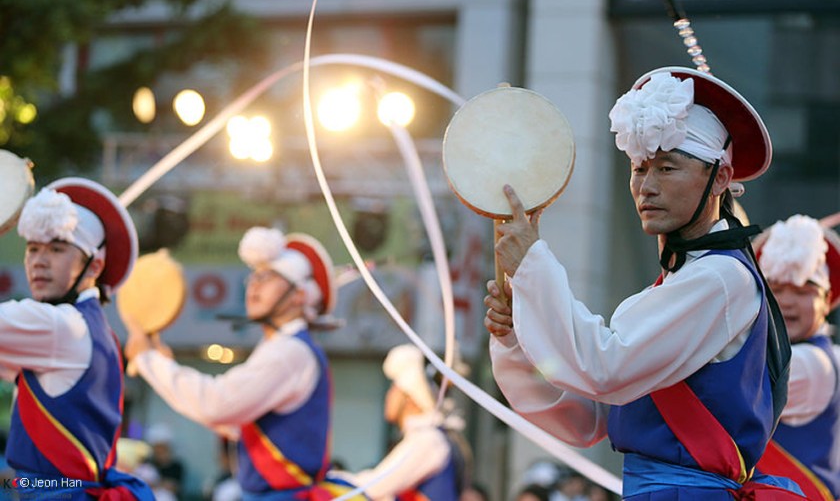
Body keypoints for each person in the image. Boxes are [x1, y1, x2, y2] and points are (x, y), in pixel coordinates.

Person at [484, 67, 804, 499]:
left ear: (721, 178)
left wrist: (533, 267)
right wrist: (514, 341)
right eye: (639, 168)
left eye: (667, 168)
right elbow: (590, 417)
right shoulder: (684, 282)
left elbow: (605, 368)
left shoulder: (722, 277)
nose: (646, 187)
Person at [123, 226, 365, 500]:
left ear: (299, 295)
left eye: (268, 277)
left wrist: (148, 359)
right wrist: (162, 367)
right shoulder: (283, 347)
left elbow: (217, 404)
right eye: (253, 277)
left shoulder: (289, 351)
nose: (254, 285)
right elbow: (238, 422)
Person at [0, 177, 153, 499]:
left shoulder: (58, 327)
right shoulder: (100, 332)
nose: (39, 260)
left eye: (56, 248)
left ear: (95, 265)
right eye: (32, 248)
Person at [752, 215, 840, 500]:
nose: (787, 302)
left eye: (803, 291)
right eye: (775, 290)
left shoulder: (813, 365)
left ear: (826, 301)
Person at [349, 344, 465, 500]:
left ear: (410, 394)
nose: (389, 395)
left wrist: (329, 482)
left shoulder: (428, 440)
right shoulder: (426, 437)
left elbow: (374, 486)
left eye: (394, 387)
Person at [144, 423, 185, 499]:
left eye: (162, 447)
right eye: (157, 447)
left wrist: (155, 484)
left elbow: (174, 487)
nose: (159, 450)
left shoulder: (176, 466)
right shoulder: (147, 463)